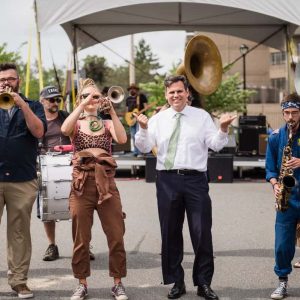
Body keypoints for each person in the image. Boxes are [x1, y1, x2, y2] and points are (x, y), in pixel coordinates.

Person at [135, 75, 235, 300]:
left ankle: (203, 283)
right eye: (171, 92)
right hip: (167, 180)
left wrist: (223, 129)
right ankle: (176, 282)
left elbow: (216, 145)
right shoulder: (158, 119)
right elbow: (142, 146)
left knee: (201, 232)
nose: (175, 95)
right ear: (165, 95)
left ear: (187, 92)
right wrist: (142, 128)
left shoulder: (201, 117)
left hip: (195, 180)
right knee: (170, 231)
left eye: (179, 91)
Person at [61, 78, 128, 300]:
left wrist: (112, 112)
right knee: (81, 238)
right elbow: (64, 129)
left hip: (107, 183)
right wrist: (82, 105)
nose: (91, 100)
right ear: (79, 99)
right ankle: (82, 283)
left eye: (95, 96)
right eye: (85, 96)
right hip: (82, 184)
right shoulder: (77, 123)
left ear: (101, 101)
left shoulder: (107, 123)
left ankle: (117, 283)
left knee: (116, 235)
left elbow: (122, 138)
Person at [0, 62, 46, 298]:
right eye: (2, 80)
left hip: (22, 179)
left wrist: (21, 105)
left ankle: (19, 281)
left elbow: (39, 132)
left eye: (10, 79)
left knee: (19, 234)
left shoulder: (33, 105)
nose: (6, 82)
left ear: (18, 81)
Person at [266, 92, 300, 300]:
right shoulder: (276, 136)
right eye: (286, 112)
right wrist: (275, 184)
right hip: (287, 198)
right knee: (282, 244)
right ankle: (282, 282)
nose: (290, 117)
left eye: (294, 112)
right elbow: (270, 167)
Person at [125, 83, 148, 156]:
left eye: (133, 88)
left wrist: (139, 114)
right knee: (133, 135)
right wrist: (128, 118)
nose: (132, 90)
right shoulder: (128, 99)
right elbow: (127, 110)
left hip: (139, 118)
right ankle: (135, 151)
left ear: (136, 90)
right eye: (130, 89)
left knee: (139, 135)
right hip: (131, 119)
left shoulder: (141, 97)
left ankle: (140, 152)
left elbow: (146, 107)